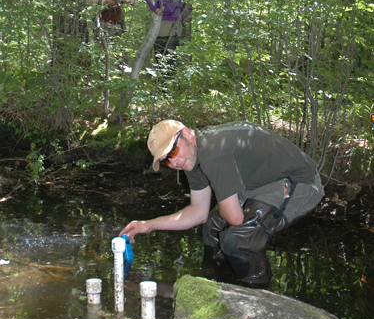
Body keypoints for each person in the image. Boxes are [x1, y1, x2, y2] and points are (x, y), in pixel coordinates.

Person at [120, 120, 325, 287]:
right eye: (166, 160)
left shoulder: (212, 152)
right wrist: (149, 225)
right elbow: (199, 213)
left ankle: (256, 296)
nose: (173, 163)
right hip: (258, 183)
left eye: (172, 152)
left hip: (299, 183)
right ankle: (215, 286)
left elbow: (235, 218)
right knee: (212, 225)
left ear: (188, 134)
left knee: (240, 238)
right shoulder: (193, 159)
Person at [144, 0, 183, 74]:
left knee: (168, 60)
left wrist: (160, 10)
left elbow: (168, 9)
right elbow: (155, 9)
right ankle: (160, 86)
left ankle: (168, 87)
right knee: (159, 58)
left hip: (170, 28)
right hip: (160, 28)